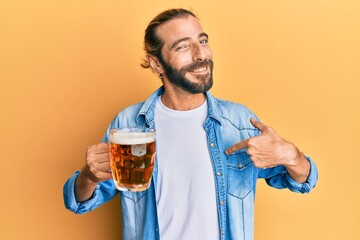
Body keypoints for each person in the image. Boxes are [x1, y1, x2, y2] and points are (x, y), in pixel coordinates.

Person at [63, 8, 318, 240]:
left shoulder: (240, 122)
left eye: (203, 41)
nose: (200, 55)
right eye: (183, 47)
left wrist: (291, 155)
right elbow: (80, 201)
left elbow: (303, 181)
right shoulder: (128, 124)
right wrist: (88, 176)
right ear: (156, 63)